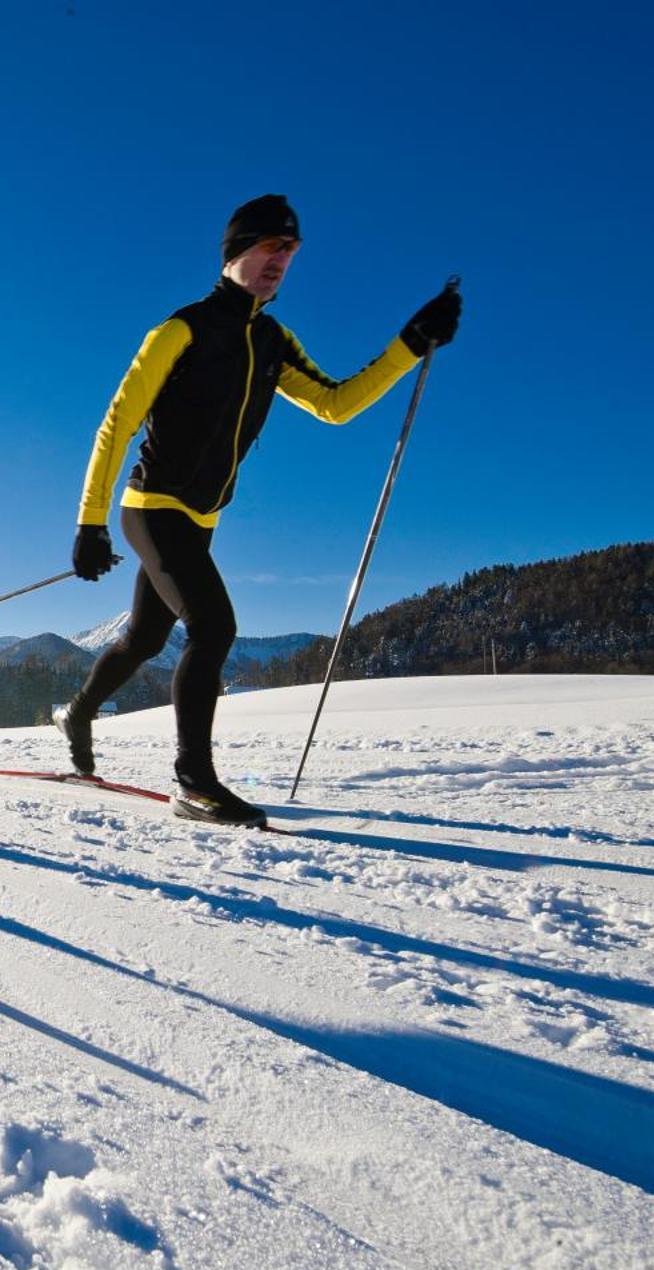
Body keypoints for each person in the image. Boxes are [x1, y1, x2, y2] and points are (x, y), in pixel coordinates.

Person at [56, 194, 459, 828]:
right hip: (152, 505)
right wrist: (90, 522)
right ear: (237, 251)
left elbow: (336, 403)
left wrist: (410, 345)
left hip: (201, 519)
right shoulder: (181, 330)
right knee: (213, 628)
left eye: (291, 251)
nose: (281, 261)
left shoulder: (273, 340)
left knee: (145, 637)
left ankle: (77, 712)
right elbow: (117, 424)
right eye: (271, 247)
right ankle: (194, 784)